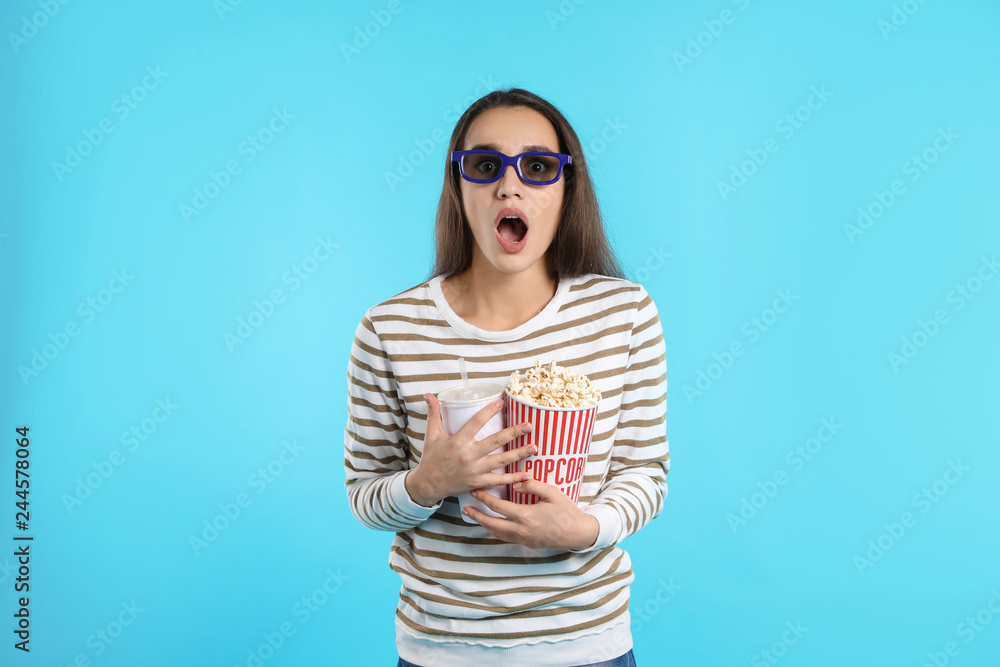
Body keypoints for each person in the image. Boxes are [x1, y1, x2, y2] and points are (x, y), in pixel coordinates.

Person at [344, 88, 668, 667]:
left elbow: (644, 473)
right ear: (458, 184)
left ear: (567, 188)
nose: (509, 186)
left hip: (587, 646)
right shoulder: (389, 328)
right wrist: (425, 484)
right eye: (485, 165)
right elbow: (365, 496)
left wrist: (586, 528)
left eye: (538, 167)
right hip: (440, 650)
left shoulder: (624, 314)